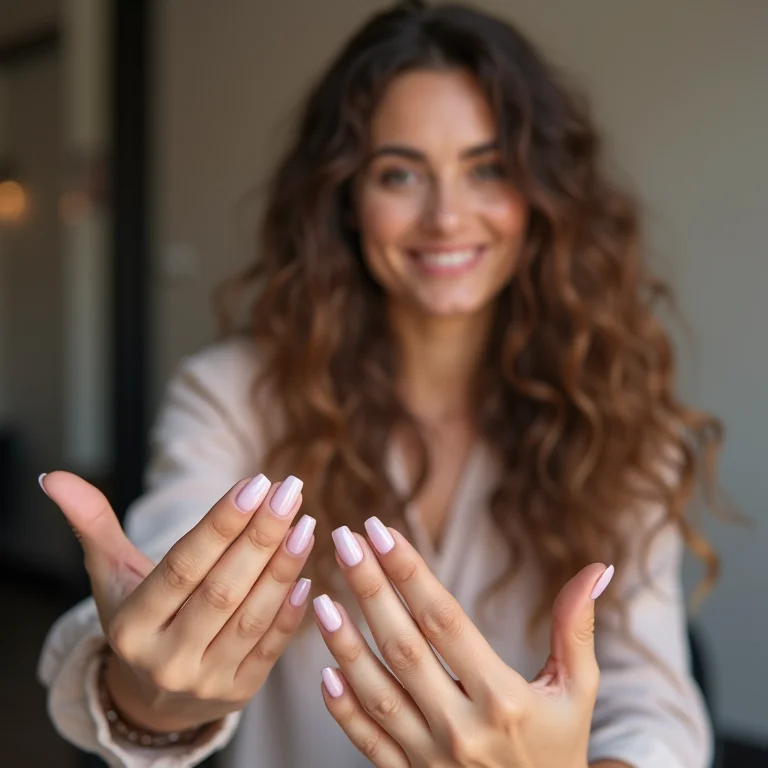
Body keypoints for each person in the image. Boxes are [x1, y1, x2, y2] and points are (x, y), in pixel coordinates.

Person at [38, 2, 722, 766]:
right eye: (400, 174)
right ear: (346, 201)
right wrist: (148, 690)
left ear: (543, 193)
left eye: (488, 168)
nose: (447, 216)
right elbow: (154, 595)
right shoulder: (229, 395)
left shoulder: (616, 418)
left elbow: (654, 707)